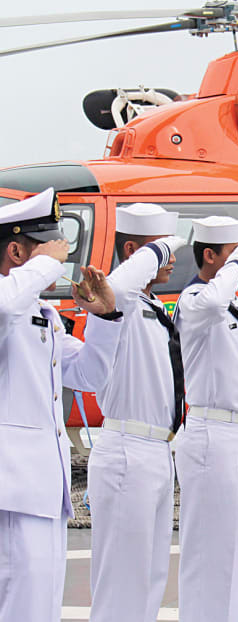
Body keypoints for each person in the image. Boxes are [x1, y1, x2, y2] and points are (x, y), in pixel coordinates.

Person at [0, 188, 122, 622]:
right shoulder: (7, 303)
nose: (59, 263)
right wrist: (45, 265)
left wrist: (105, 318)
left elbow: (89, 375)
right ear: (16, 251)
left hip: (43, 491)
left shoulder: (41, 314)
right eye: (49, 250)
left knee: (39, 606)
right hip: (10, 491)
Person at [87, 203, 186, 622]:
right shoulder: (117, 297)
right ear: (133, 250)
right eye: (161, 249)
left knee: (148, 577)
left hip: (156, 451)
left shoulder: (148, 304)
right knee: (122, 579)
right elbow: (118, 283)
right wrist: (163, 246)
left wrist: (160, 246)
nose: (173, 259)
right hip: (127, 449)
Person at [173, 216, 238, 622]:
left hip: (236, 434)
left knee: (231, 548)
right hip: (210, 433)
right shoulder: (196, 302)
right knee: (208, 548)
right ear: (210, 256)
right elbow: (212, 300)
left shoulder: (227, 306)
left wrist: (236, 266)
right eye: (232, 255)